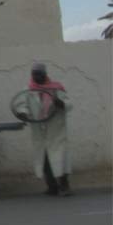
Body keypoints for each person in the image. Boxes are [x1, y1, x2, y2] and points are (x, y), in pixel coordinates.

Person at [19, 63, 73, 196]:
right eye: (34, 74)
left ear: (45, 75)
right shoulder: (28, 90)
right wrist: (24, 113)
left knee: (60, 160)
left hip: (56, 130)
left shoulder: (56, 88)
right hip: (40, 131)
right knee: (45, 162)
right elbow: (22, 105)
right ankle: (52, 187)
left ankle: (64, 187)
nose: (36, 77)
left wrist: (60, 103)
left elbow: (69, 104)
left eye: (39, 74)